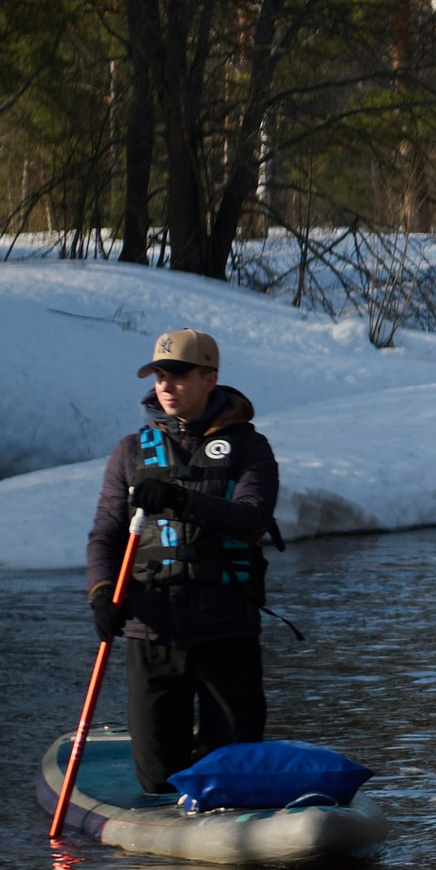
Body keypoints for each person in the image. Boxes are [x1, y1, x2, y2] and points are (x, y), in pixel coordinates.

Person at [86, 328, 281, 796]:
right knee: (157, 777)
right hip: (152, 631)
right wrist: (100, 594)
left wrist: (181, 499)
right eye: (158, 375)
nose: (165, 385)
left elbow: (252, 521)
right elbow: (106, 535)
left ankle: (218, 776)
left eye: (178, 375)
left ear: (210, 378)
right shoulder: (131, 452)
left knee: (235, 771)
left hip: (226, 629)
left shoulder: (251, 448)